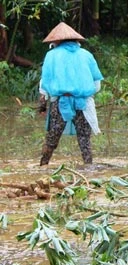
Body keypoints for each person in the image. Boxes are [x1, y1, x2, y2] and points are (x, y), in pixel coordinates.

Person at [38, 22, 103, 166]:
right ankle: (89, 168)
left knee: (52, 138)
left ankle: (43, 166)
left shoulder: (51, 55)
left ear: (56, 41)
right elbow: (97, 84)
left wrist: (42, 106)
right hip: (84, 103)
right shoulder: (87, 55)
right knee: (84, 140)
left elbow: (44, 84)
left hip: (61, 102)